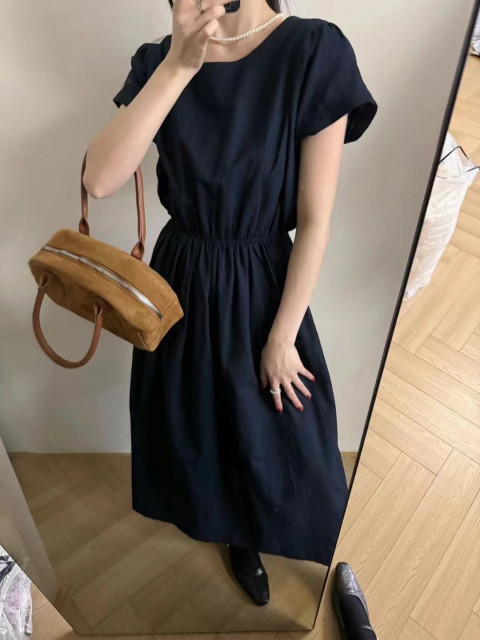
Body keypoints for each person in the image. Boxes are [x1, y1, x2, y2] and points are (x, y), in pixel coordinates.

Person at [83, 0, 378, 606]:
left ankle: (312, 551)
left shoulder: (313, 50)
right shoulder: (158, 61)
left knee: (288, 435)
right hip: (180, 278)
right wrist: (178, 65)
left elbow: (316, 220)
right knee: (201, 426)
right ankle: (235, 534)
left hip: (262, 281)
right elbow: (99, 179)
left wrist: (282, 335)